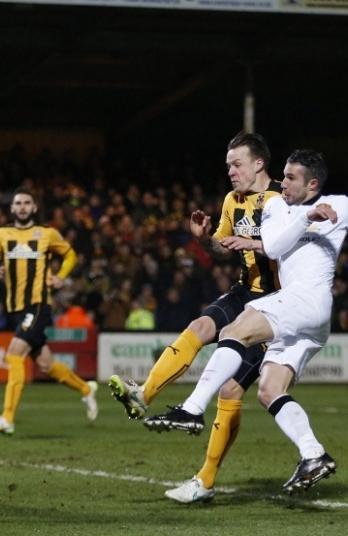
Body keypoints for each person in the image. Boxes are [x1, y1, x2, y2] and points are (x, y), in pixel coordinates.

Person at [161, 150, 348, 502]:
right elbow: (273, 247)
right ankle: (313, 453)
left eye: (291, 178)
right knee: (269, 390)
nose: (282, 182)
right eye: (283, 175)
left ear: (313, 183)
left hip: (310, 299)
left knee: (232, 332)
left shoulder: (340, 206)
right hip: (305, 317)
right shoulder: (274, 206)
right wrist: (306, 218)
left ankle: (192, 408)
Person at [109, 132, 281, 503]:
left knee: (231, 389)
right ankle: (143, 394)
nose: (231, 172)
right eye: (228, 166)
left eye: (237, 164)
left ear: (258, 164)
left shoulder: (282, 200)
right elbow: (222, 248)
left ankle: (205, 481)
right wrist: (205, 240)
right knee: (199, 326)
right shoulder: (232, 200)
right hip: (244, 291)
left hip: (277, 306)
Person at [0, 186, 98, 435]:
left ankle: (7, 418)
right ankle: (86, 389)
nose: (22, 207)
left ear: (34, 208)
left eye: (26, 203)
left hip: (38, 304)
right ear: (12, 208)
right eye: (18, 203)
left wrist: (61, 276)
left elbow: (70, 255)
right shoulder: (2, 234)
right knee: (45, 364)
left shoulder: (47, 233)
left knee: (14, 354)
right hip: (16, 308)